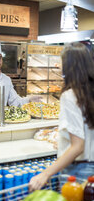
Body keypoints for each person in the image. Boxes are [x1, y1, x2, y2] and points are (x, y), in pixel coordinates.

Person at [29, 42, 94, 191]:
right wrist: (65, 142)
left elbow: (78, 146)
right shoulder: (90, 93)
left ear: (71, 66)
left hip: (78, 172)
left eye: (63, 62)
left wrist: (45, 174)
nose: (59, 66)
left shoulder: (70, 96)